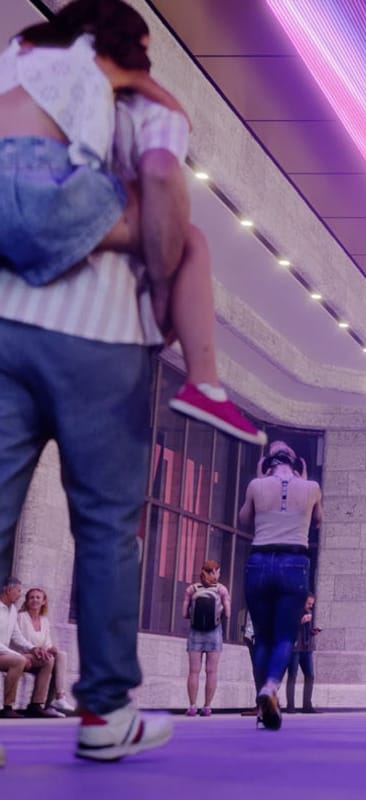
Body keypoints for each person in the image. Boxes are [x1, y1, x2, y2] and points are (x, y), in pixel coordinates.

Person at [0, 0, 186, 761]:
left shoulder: (17, 58)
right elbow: (166, 209)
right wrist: (165, 274)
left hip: (6, 321)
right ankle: (106, 715)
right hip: (103, 337)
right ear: (132, 49)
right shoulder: (141, 105)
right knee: (108, 528)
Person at [0, 1, 264, 446]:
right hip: (40, 190)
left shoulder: (22, 51)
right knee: (188, 240)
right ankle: (202, 381)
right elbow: (174, 123)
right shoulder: (97, 60)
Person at [239, 441, 322, 731]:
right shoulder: (311, 486)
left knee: (263, 637)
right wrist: (304, 479)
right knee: (285, 636)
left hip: (259, 559)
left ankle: (264, 701)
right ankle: (271, 686)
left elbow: (244, 519)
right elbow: (318, 520)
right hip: (294, 561)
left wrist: (259, 480)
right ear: (297, 463)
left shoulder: (256, 486)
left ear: (268, 462)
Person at [0, 577, 56, 718]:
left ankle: (36, 705)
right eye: (18, 591)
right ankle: (7, 707)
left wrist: (33, 649)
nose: (20, 595)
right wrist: (17, 655)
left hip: (5, 654)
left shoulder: (12, 610)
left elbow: (17, 636)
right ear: (8, 590)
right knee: (19, 661)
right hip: (5, 654)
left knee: (47, 659)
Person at [13, 586, 74, 715]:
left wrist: (53, 649)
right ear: (27, 601)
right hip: (23, 655)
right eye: (31, 597)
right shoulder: (20, 617)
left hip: (39, 656)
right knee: (49, 659)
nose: (34, 600)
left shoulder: (44, 621)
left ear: (44, 601)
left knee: (61, 655)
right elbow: (17, 640)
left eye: (38, 597)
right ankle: (39, 704)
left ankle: (58, 698)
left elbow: (47, 644)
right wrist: (37, 649)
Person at [182, 560, 230, 717]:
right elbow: (228, 614)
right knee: (212, 671)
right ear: (216, 571)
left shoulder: (192, 589)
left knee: (193, 671)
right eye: (219, 572)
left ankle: (192, 706)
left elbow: (184, 614)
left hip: (195, 632)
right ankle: (207, 707)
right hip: (214, 633)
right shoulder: (221, 589)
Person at [285, 593, 319, 714]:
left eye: (312, 604)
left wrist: (312, 631)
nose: (310, 606)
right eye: (308, 603)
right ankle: (290, 706)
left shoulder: (309, 612)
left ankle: (307, 705)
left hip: (306, 647)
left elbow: (307, 629)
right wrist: (301, 620)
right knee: (292, 675)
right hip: (295, 648)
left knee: (310, 675)